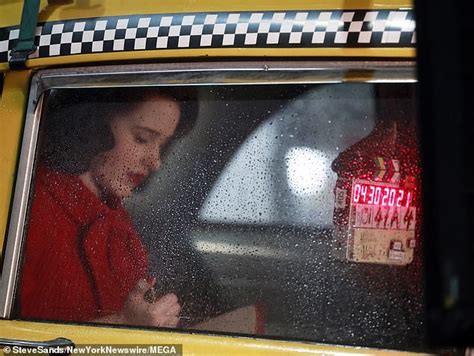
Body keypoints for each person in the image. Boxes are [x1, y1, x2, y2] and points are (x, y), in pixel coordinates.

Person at [19, 87, 197, 327]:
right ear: (93, 124)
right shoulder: (26, 209)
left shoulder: (121, 225)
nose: (155, 162)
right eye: (142, 139)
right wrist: (125, 325)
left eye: (162, 146)